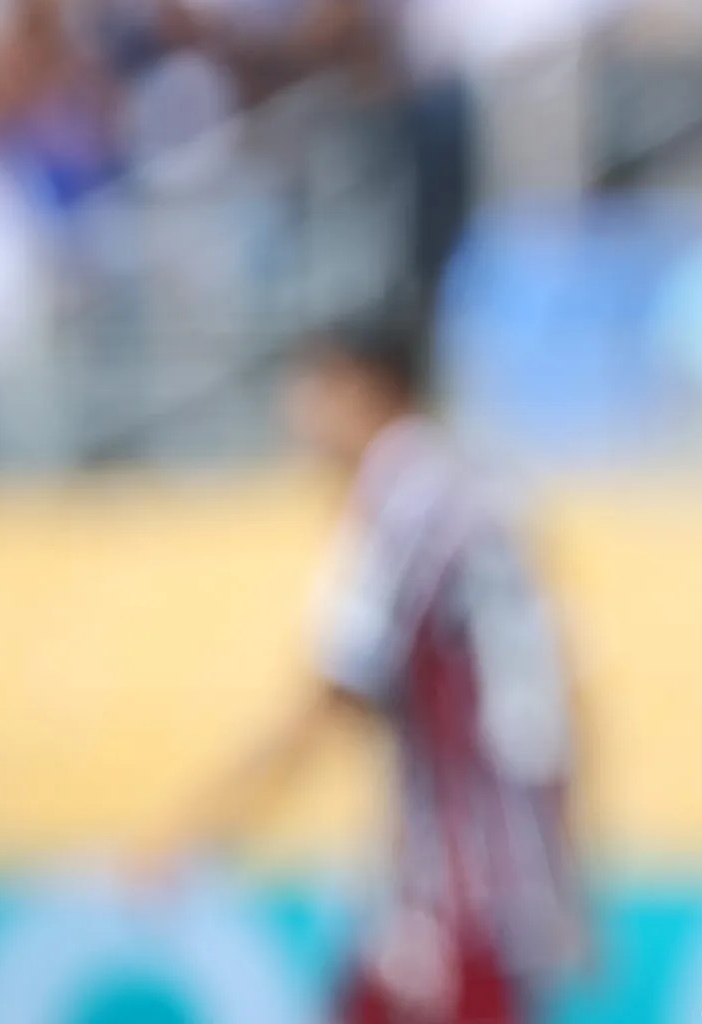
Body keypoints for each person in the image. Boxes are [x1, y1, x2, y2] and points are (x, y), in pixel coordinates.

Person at [141, 320, 582, 1024]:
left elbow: (332, 692)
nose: (297, 420)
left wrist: (197, 831)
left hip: (452, 896)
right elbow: (559, 692)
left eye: (310, 393)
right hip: (505, 881)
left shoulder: (407, 504)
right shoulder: (480, 491)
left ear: (361, 389)